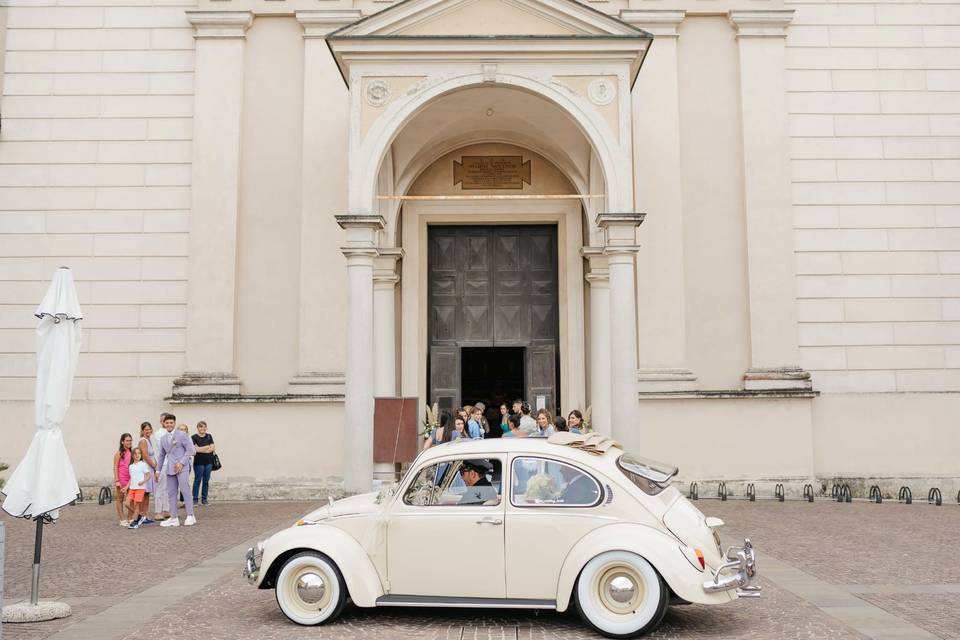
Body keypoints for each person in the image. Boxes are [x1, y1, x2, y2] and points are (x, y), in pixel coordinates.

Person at [157, 413, 197, 527]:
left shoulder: (182, 434)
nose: (169, 424)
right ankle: (174, 517)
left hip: (182, 467)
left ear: (174, 423)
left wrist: (182, 463)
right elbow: (161, 455)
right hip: (170, 468)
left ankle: (190, 515)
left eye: (171, 422)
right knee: (171, 492)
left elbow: (190, 450)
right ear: (164, 424)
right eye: (167, 422)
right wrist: (157, 471)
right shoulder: (163, 438)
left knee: (185, 490)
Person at [136, 422, 157, 525]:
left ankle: (145, 515)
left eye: (149, 429)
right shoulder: (143, 441)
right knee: (144, 493)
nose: (148, 431)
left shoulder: (149, 440)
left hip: (149, 468)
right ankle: (141, 514)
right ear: (142, 430)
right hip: (146, 468)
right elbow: (145, 456)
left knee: (147, 493)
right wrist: (154, 466)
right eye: (146, 429)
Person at [153, 413, 173, 521]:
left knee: (168, 488)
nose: (166, 423)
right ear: (161, 422)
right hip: (163, 463)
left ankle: (166, 510)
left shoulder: (172, 432)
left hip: (172, 463)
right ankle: (158, 511)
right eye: (164, 421)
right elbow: (165, 447)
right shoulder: (158, 433)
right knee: (160, 488)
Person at [191, 420, 216, 506]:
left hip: (209, 462)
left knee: (206, 481)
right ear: (197, 428)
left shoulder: (209, 436)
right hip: (198, 463)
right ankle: (195, 500)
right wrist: (206, 447)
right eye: (201, 426)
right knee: (197, 480)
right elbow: (195, 449)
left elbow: (213, 448)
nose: (203, 428)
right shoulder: (194, 437)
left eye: (204, 426)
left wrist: (201, 449)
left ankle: (204, 499)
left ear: (206, 428)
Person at [126, 447, 150, 528]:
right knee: (127, 504)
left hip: (140, 488)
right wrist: (126, 487)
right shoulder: (131, 466)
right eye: (135, 453)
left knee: (136, 505)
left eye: (139, 453)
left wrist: (143, 481)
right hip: (132, 488)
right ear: (132, 455)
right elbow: (131, 478)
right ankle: (139, 516)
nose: (137, 455)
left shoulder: (143, 465)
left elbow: (148, 475)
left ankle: (135, 522)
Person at [112, 433, 133, 526]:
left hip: (130, 479)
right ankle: (122, 519)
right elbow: (115, 466)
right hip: (121, 479)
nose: (129, 442)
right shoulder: (119, 453)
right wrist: (117, 480)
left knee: (131, 499)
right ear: (122, 441)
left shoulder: (132, 452)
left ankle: (129, 518)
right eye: (127, 440)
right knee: (120, 499)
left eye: (130, 440)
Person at [176, 423, 192, 505]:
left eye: (184, 429)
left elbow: (193, 451)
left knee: (184, 483)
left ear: (187, 431)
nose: (182, 431)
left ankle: (186, 501)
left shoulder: (189, 439)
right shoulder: (174, 439)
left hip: (186, 463)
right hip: (175, 464)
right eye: (180, 429)